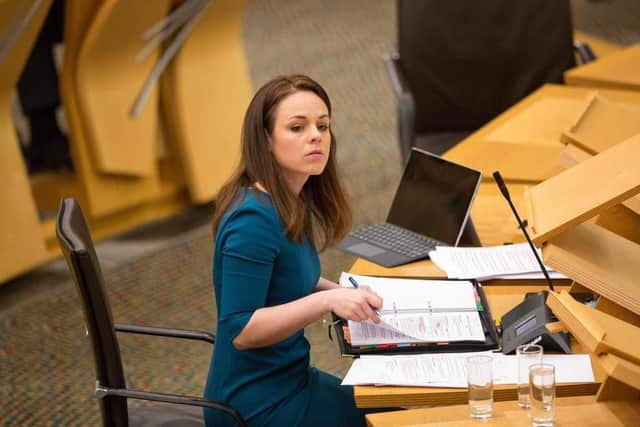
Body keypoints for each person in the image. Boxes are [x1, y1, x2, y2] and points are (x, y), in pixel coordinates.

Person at [204, 75, 384, 426]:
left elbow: (286, 277)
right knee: (395, 418)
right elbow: (240, 330)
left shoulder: (286, 199)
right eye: (297, 128)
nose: (315, 136)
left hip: (291, 379)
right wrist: (326, 302)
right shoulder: (252, 222)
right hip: (255, 405)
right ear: (267, 140)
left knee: (396, 407)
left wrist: (344, 293)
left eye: (323, 125)